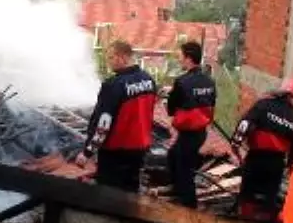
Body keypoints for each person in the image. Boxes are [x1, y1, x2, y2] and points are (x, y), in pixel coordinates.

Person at [76, 40, 157, 193]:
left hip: (115, 151)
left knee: (109, 194)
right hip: (140, 148)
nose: (109, 62)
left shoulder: (114, 85)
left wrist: (87, 152)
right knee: (131, 190)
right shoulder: (149, 80)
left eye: (112, 57)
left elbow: (103, 124)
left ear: (124, 57)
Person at [231, 78, 293, 223]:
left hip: (256, 157)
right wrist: (291, 164)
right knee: (270, 194)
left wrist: (236, 144)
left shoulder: (264, 104)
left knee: (248, 190)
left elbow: (245, 124)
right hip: (276, 162)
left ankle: (242, 220)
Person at [165, 41, 217, 208]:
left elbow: (171, 110)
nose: (179, 60)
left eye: (180, 56)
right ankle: (177, 189)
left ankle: (188, 206)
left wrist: (171, 94)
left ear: (188, 58)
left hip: (188, 134)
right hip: (201, 132)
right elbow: (210, 103)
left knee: (185, 170)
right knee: (172, 155)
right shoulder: (209, 81)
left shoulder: (181, 81)